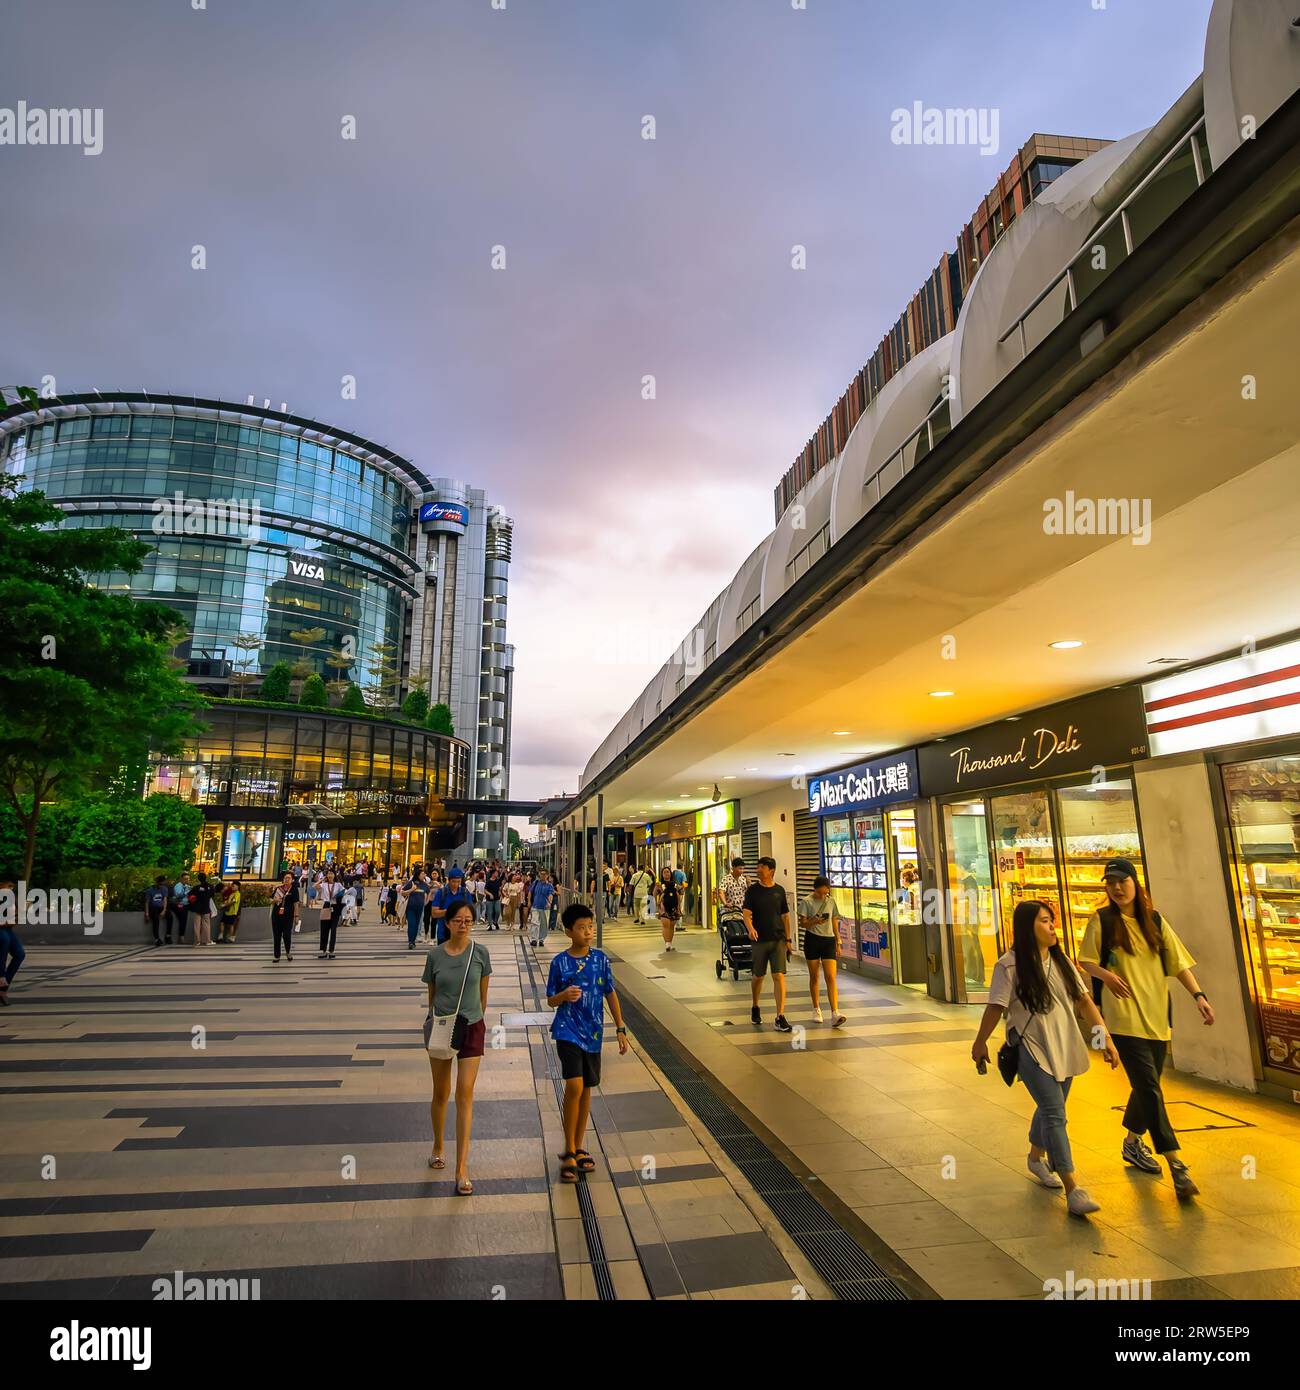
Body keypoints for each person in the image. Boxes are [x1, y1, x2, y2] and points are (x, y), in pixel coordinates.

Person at [972, 900, 1119, 1217]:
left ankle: (1036, 1157)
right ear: (1028, 928)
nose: (1052, 926)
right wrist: (980, 1043)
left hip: (1064, 1045)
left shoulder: (1062, 962)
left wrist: (1103, 1038)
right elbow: (996, 1007)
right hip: (1031, 1048)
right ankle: (1073, 1188)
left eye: (1052, 920)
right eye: (1045, 921)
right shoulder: (1008, 966)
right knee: (1055, 1113)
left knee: (1053, 1106)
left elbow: (1084, 1003)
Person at [1078, 858, 1214, 1199]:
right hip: (1124, 1019)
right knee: (1151, 1089)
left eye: (1122, 881)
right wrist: (1107, 976)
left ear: (1136, 884)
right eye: (1110, 883)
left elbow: (1178, 963)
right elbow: (1086, 960)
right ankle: (1176, 1163)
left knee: (1146, 1085)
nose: (1117, 887)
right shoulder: (1102, 921)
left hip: (1157, 1017)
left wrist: (1198, 995)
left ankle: (1132, 1142)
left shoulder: (1154, 921)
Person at [546, 903, 629, 1183]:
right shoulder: (559, 962)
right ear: (569, 931)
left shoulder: (601, 960)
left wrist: (620, 1027)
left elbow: (610, 993)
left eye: (590, 927)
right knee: (574, 1085)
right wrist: (563, 996)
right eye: (582, 928)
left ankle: (579, 1146)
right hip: (567, 1030)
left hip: (593, 1033)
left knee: (587, 1090)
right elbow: (550, 999)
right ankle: (568, 1148)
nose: (587, 932)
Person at [422, 900, 493, 1196]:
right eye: (458, 920)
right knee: (441, 1091)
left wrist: (474, 1018)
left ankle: (461, 1168)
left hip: (472, 1026)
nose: (463, 925)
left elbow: (483, 995)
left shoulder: (480, 954)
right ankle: (438, 1144)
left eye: (468, 920)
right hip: (442, 1027)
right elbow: (432, 995)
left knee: (465, 1091)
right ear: (448, 923)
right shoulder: (435, 955)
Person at [743, 857, 792, 1031]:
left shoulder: (779, 891)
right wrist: (750, 928)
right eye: (757, 866)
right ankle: (755, 1005)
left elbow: (785, 916)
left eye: (761, 867)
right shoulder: (752, 891)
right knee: (758, 976)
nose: (758, 870)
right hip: (759, 940)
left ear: (771, 870)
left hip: (778, 939)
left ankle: (780, 1016)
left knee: (779, 975)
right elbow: (746, 914)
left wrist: (788, 939)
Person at [798, 877, 847, 1026]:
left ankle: (835, 1012)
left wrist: (838, 941)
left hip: (828, 941)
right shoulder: (807, 901)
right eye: (821, 891)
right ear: (816, 889)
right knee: (814, 976)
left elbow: (834, 920)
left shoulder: (830, 901)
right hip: (812, 940)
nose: (824, 894)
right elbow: (803, 924)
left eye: (826, 890)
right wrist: (815, 921)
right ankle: (816, 1008)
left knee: (831, 976)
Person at [430, 868, 474, 946]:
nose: (456, 884)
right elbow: (434, 913)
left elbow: (471, 912)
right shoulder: (441, 893)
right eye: (453, 881)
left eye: (458, 882)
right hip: (443, 933)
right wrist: (450, 911)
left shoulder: (465, 893)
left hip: (460, 933)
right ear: (449, 880)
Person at [0, 879, 26, 1006]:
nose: (10, 891)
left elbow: (15, 917)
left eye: (11, 888)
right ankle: (1, 978)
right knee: (4, 941)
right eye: (8, 887)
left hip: (6, 928)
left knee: (20, 954)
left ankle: (3, 988)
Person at [270, 872, 298, 962]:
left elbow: (296, 903)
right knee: (276, 936)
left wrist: (296, 916)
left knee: (287, 935)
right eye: (285, 878)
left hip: (288, 917)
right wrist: (275, 900)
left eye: (289, 878)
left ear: (292, 880)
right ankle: (276, 955)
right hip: (276, 916)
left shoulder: (294, 889)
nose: (286, 880)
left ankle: (288, 952)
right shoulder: (278, 888)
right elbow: (270, 899)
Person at [402, 867, 430, 950]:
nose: (424, 875)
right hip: (410, 907)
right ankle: (411, 941)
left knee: (417, 925)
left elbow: (429, 893)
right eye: (422, 874)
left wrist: (426, 902)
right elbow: (402, 892)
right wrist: (411, 889)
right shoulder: (411, 883)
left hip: (420, 908)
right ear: (418, 875)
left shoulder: (425, 885)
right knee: (411, 924)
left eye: (424, 874)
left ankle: (413, 941)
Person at [319, 872, 344, 959]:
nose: (330, 875)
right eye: (328, 874)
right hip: (326, 905)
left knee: (333, 930)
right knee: (324, 929)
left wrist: (338, 897)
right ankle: (323, 951)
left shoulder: (338, 885)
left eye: (332, 874)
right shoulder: (323, 884)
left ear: (334, 875)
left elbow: (344, 892)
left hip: (335, 906)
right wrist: (322, 879)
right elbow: (314, 886)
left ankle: (331, 951)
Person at [655, 867, 681, 950]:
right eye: (664, 872)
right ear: (662, 874)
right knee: (666, 925)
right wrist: (657, 904)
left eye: (668, 872)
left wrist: (681, 888)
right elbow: (654, 893)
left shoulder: (675, 884)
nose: (666, 873)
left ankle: (669, 942)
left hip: (674, 907)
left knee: (672, 926)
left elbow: (680, 893)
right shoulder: (660, 884)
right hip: (664, 907)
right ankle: (667, 943)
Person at [528, 871, 556, 950]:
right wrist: (529, 901)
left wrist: (549, 902)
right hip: (535, 906)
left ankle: (541, 939)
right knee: (534, 922)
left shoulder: (549, 885)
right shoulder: (536, 883)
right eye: (541, 874)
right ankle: (534, 939)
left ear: (547, 875)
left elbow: (551, 895)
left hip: (545, 907)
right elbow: (530, 892)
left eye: (544, 874)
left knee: (544, 924)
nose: (542, 876)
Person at [189, 872, 214, 948]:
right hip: (206, 907)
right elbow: (212, 895)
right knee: (206, 924)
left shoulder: (196, 887)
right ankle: (207, 940)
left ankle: (197, 941)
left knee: (196, 925)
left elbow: (190, 895)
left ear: (198, 879)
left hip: (197, 908)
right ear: (206, 877)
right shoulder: (210, 886)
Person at [144, 874, 169, 947]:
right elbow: (147, 902)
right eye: (160, 884)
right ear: (157, 882)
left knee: (170, 916)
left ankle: (168, 935)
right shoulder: (150, 890)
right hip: (153, 908)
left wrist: (164, 910)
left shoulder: (164, 889)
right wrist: (147, 914)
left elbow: (165, 900)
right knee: (156, 920)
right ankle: (157, 939)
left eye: (162, 884)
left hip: (161, 907)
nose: (161, 886)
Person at [218, 878, 242, 943]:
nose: (232, 887)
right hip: (227, 911)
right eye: (232, 886)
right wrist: (225, 903)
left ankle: (230, 938)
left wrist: (225, 905)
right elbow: (229, 901)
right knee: (222, 922)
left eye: (234, 886)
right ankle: (221, 935)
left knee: (231, 925)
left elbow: (233, 902)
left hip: (233, 912)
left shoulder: (237, 894)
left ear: (238, 887)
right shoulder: (231, 894)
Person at [169, 874, 190, 945]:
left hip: (186, 905)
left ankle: (182, 937)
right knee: (183, 919)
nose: (187, 880)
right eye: (185, 879)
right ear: (181, 879)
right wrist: (186, 892)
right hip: (179, 904)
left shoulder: (187, 886)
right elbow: (178, 896)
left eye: (188, 879)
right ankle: (181, 938)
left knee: (184, 919)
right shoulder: (178, 886)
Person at [484, 864, 503, 930]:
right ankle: (490, 925)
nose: (497, 874)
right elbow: (485, 890)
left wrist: (500, 892)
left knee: (498, 911)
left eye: (497, 873)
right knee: (490, 912)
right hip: (489, 900)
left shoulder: (498, 881)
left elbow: (500, 888)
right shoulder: (488, 882)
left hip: (497, 899)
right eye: (496, 873)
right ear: (492, 874)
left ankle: (495, 921)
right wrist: (490, 894)